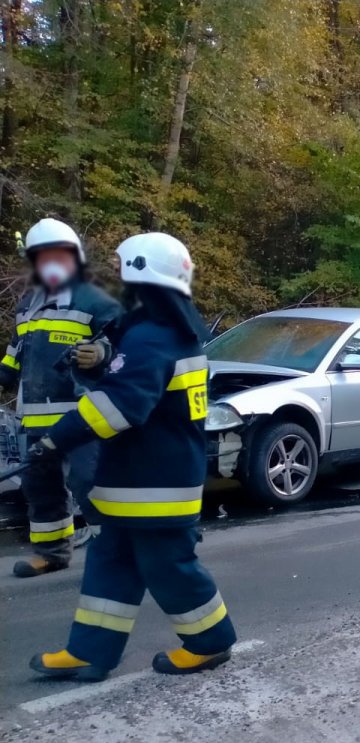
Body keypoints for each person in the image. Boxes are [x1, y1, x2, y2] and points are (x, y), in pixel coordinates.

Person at [29, 232, 236, 682]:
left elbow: (119, 406)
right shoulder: (165, 333)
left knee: (168, 567)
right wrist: (98, 363)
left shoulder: (153, 338)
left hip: (154, 485)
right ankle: (90, 652)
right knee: (112, 563)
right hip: (141, 481)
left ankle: (210, 642)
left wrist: (54, 441)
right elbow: (134, 387)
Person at [0, 219, 122, 578]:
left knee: (90, 482)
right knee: (40, 487)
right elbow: (13, 359)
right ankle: (52, 553)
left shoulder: (95, 301)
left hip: (83, 418)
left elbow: (125, 348)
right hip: (35, 422)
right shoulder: (28, 305)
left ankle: (116, 552)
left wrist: (100, 353)